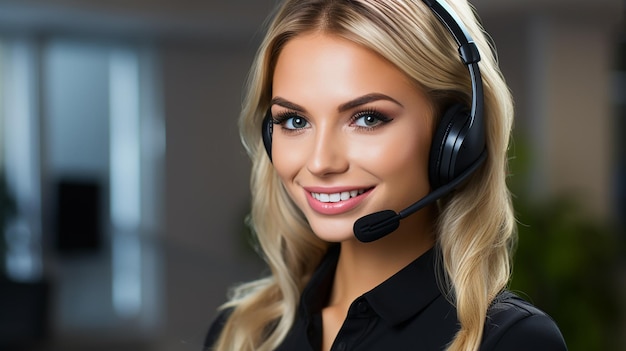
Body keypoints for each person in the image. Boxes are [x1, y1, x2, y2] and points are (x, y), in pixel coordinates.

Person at [205, 0, 567, 350]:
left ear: (454, 137)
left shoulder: (511, 341)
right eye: (295, 121)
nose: (320, 162)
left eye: (367, 118)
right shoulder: (244, 333)